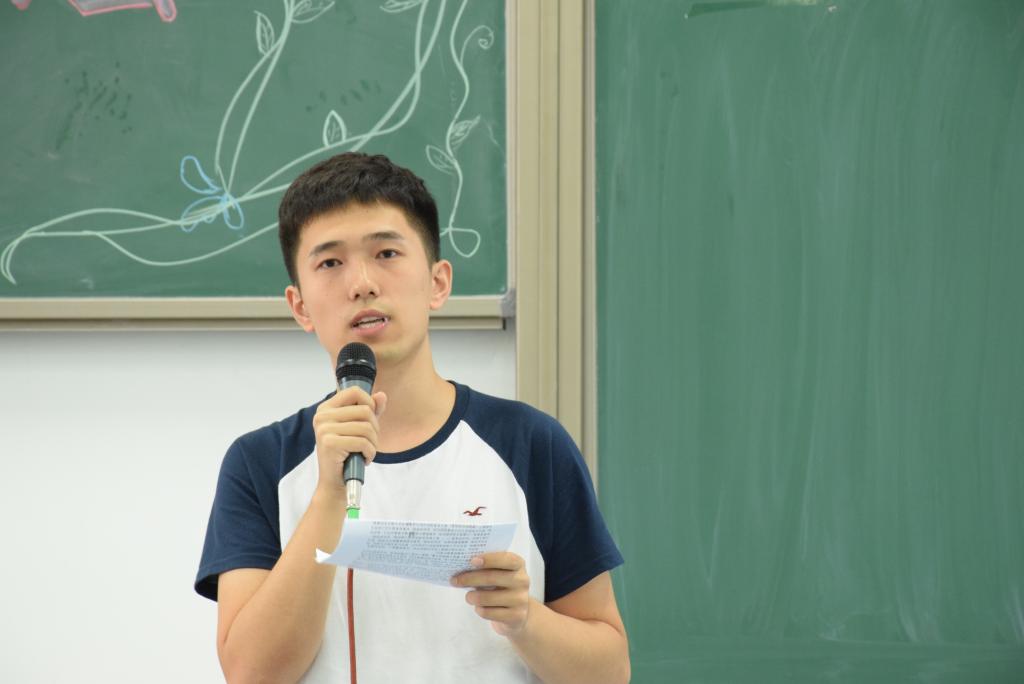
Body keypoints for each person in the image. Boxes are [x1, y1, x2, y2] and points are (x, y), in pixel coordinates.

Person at [195, 152, 630, 683]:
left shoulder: (530, 443)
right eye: (330, 263)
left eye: (386, 253)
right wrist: (329, 493)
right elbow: (252, 674)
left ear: (438, 283)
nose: (362, 283)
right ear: (300, 306)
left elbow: (611, 671)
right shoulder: (261, 462)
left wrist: (526, 620)